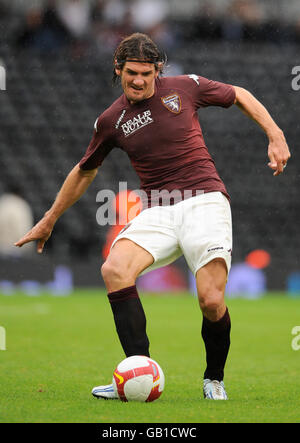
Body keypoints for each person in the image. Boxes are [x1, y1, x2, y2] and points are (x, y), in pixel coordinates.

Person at [15, 33, 290, 400]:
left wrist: (275, 133)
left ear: (157, 70)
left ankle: (214, 379)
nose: (139, 80)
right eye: (132, 73)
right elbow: (84, 171)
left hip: (204, 200)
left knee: (210, 300)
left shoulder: (185, 87)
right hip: (158, 208)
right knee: (114, 270)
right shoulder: (111, 120)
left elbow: (238, 93)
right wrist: (50, 218)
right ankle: (138, 373)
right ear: (118, 69)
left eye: (147, 73)